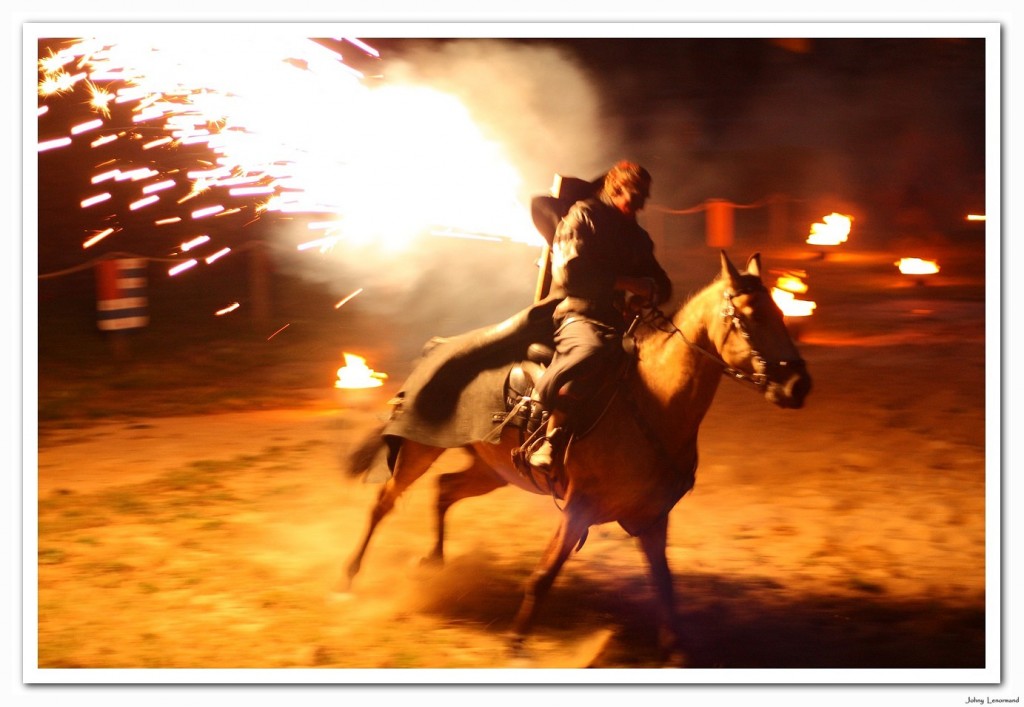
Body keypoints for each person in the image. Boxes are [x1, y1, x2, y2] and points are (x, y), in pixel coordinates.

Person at [528, 160, 672, 472]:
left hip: (615, 320)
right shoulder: (583, 216)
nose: (640, 205)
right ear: (615, 189)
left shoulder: (637, 237)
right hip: (576, 315)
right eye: (635, 197)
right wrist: (628, 283)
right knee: (591, 351)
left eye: (644, 198)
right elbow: (572, 274)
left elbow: (662, 283)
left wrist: (647, 292)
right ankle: (550, 437)